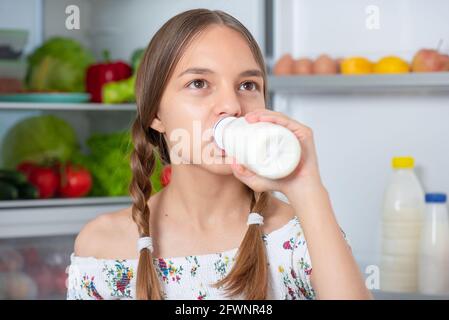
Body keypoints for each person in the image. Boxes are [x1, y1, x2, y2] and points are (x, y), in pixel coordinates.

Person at [66, 8, 372, 300]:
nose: (232, 105)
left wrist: (308, 188)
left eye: (248, 84)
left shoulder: (301, 236)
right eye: (198, 83)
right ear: (155, 112)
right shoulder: (102, 247)